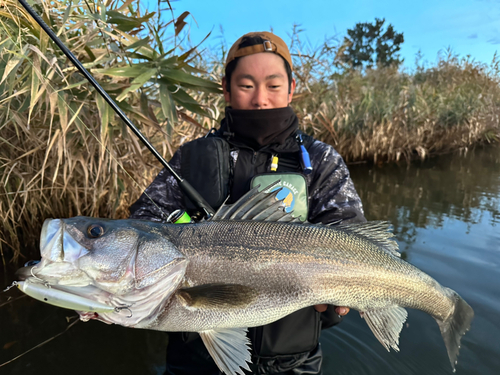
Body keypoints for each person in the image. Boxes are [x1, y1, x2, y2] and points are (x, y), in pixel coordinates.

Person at [129, 31, 366, 375]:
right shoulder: (190, 157)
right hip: (197, 353)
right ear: (226, 89)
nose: (260, 99)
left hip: (292, 360)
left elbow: (349, 233)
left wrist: (335, 294)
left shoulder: (320, 159)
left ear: (291, 87)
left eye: (273, 85)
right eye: (246, 85)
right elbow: (143, 224)